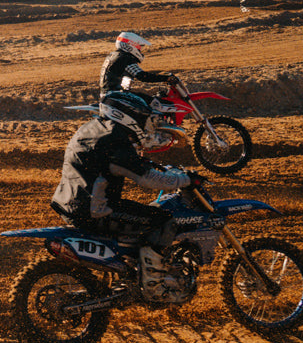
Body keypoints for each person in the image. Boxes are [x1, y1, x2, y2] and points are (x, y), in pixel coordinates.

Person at [50, 90, 198, 301]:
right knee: (162, 220)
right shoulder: (115, 141)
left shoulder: (95, 129)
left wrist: (155, 167)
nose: (146, 123)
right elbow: (147, 179)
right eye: (142, 118)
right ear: (128, 116)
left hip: (73, 202)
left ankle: (132, 271)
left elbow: (124, 164)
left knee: (141, 215)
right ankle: (154, 287)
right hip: (96, 210)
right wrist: (186, 180)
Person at [100, 32, 177, 96]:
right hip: (116, 95)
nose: (139, 50)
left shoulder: (114, 55)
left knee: (144, 98)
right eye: (138, 47)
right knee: (151, 103)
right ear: (130, 46)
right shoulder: (125, 58)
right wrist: (166, 78)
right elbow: (142, 76)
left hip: (109, 94)